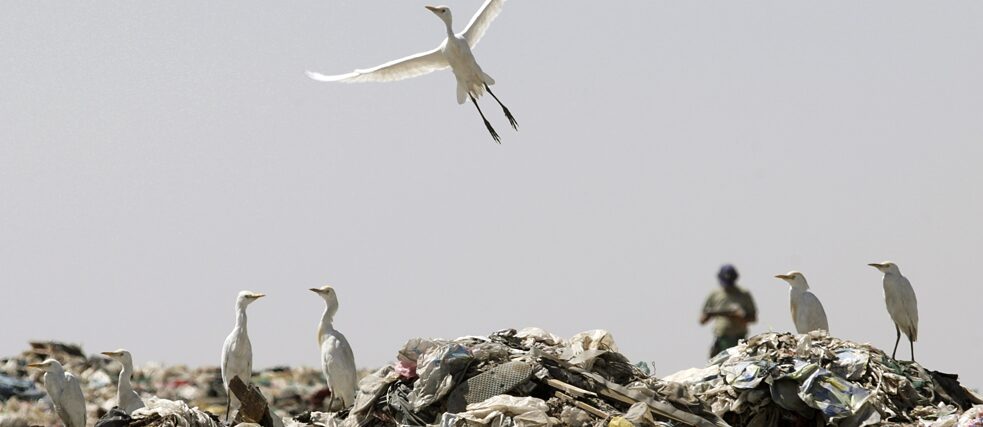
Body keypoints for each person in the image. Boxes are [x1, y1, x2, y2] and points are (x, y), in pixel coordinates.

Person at [700, 264, 757, 358]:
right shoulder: (714, 295)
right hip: (722, 339)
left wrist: (740, 316)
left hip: (740, 340)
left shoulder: (744, 294)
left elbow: (753, 318)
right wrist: (713, 313)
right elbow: (702, 320)